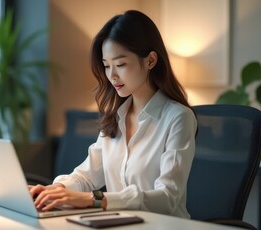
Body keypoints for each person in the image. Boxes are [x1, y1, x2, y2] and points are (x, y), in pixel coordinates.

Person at [29, 9, 197, 218]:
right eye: (107, 66)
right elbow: (87, 176)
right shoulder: (115, 118)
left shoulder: (178, 118)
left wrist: (96, 200)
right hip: (120, 228)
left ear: (150, 61)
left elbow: (168, 197)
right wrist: (58, 190)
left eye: (120, 64)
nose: (112, 75)